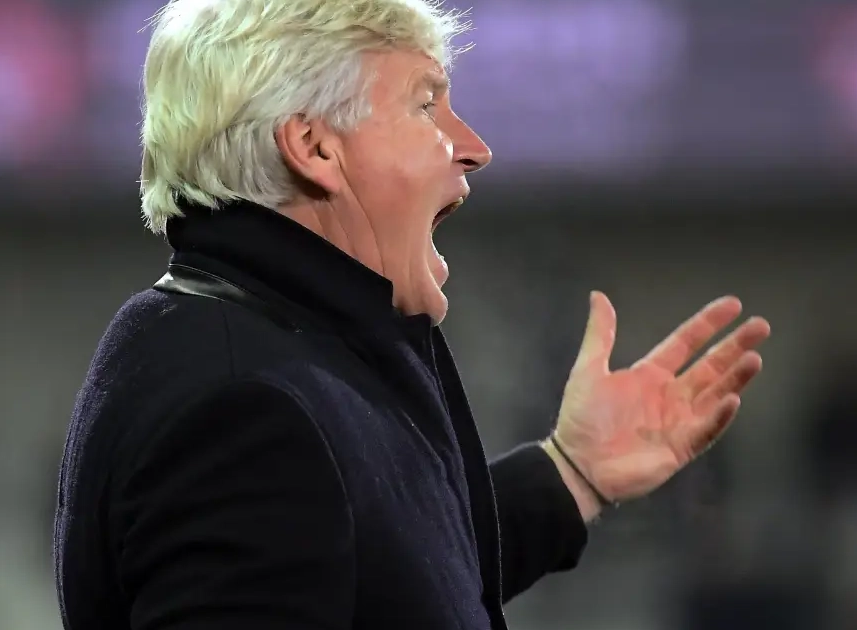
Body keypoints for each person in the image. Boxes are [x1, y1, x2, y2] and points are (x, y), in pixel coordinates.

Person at [53, 1, 771, 628]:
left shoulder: (239, 342)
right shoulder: (245, 408)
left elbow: (385, 568)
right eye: (426, 105)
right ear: (313, 146)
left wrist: (572, 472)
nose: (474, 148)